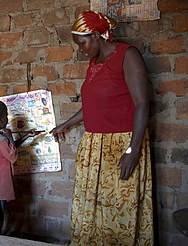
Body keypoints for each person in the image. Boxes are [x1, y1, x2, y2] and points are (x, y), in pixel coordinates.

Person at [50, 10, 153, 245]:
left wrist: (132, 151)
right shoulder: (94, 62)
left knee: (119, 208)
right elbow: (92, 105)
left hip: (122, 145)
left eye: (82, 43)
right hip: (95, 146)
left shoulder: (128, 55)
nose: (80, 49)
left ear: (97, 36)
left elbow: (142, 104)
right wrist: (65, 125)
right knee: (93, 206)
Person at [0, 99, 39, 234]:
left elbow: (7, 150)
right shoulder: (1, 139)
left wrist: (25, 136)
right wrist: (10, 137)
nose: (7, 119)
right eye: (6, 116)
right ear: (0, 119)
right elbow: (12, 156)